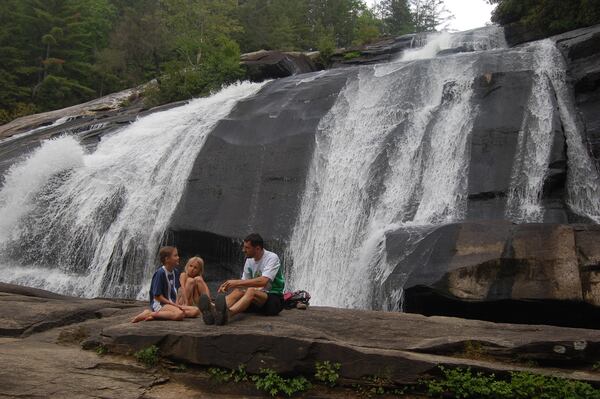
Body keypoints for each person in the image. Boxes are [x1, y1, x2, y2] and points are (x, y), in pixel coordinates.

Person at [198, 233, 285, 325]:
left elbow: (263, 281)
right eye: (244, 247)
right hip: (255, 302)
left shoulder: (272, 258)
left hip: (274, 301)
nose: (243, 250)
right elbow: (244, 284)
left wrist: (236, 283)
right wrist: (232, 285)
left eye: (247, 248)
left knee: (250, 290)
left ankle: (228, 314)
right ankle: (214, 309)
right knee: (239, 290)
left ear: (258, 248)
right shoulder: (249, 260)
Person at [131, 246, 200, 323]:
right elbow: (157, 296)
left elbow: (177, 290)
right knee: (179, 314)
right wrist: (173, 304)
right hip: (161, 304)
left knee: (196, 311)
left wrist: (177, 303)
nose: (178, 257)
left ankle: (159, 315)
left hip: (172, 303)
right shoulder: (160, 273)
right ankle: (149, 313)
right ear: (167, 259)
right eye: (175, 255)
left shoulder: (175, 272)